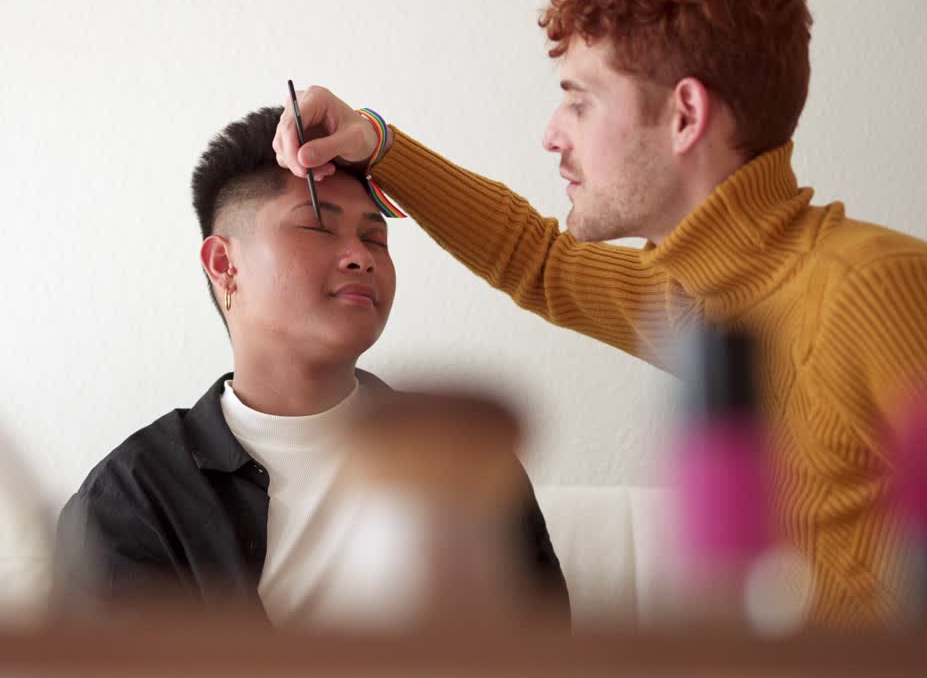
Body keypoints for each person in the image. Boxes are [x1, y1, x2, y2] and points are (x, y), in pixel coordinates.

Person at [273, 0, 927, 627]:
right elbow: (537, 262)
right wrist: (376, 142)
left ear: (685, 115)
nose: (552, 134)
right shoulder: (695, 298)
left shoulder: (879, 289)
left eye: (579, 100)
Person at [57, 106, 569, 625]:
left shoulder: (459, 457)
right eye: (319, 228)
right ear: (224, 265)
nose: (360, 257)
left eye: (374, 238)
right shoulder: (134, 496)